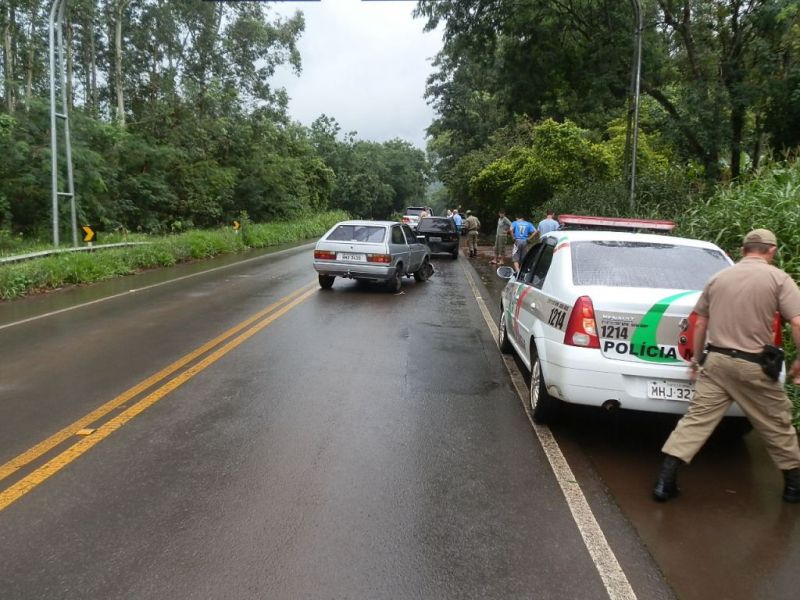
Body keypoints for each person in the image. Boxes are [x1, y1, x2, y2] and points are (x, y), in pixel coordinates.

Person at [653, 229, 800, 504]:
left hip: (717, 363)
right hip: (754, 366)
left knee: (695, 422)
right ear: (771, 251)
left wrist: (697, 360)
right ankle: (793, 487)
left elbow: (700, 322)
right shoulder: (778, 279)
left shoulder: (718, 278)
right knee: (777, 422)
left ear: (743, 250)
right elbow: (797, 321)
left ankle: (664, 482)